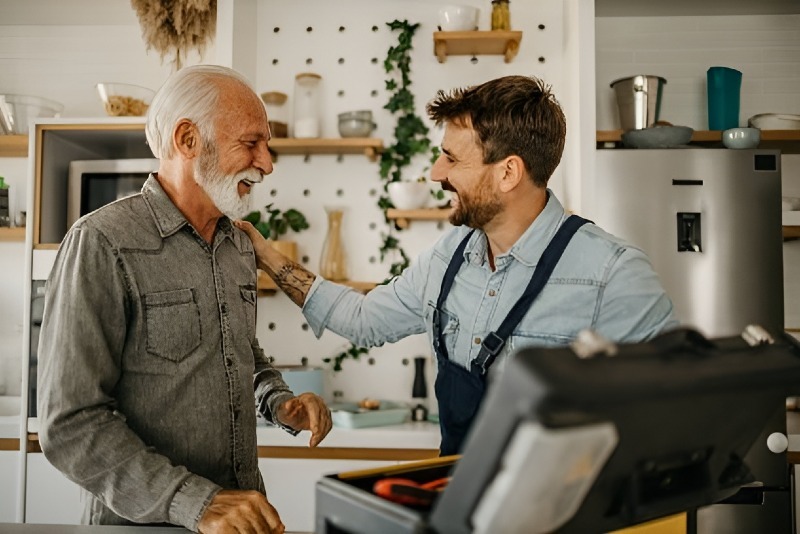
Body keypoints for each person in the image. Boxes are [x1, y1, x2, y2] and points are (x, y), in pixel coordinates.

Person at [236, 75, 678, 457]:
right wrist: (266, 255)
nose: (434, 172)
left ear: (508, 173)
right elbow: (363, 319)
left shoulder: (612, 273)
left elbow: (667, 418)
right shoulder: (449, 257)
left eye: (451, 158)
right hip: (459, 507)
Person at [37, 64, 332, 533]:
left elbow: (239, 354)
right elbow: (70, 424)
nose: (268, 162)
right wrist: (197, 503)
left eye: (268, 145)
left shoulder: (237, 245)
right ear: (189, 139)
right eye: (251, 143)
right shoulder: (102, 242)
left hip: (242, 520)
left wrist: (279, 401)